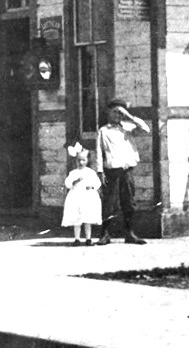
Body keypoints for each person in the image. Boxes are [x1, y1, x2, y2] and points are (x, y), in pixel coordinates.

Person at [94, 97, 150, 245]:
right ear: (108, 112)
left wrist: (129, 116)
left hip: (127, 171)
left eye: (120, 113)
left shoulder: (128, 127)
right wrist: (100, 172)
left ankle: (129, 233)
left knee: (129, 202)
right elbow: (99, 152)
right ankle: (105, 234)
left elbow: (146, 129)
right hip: (111, 172)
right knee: (109, 203)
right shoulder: (103, 131)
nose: (117, 116)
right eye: (114, 112)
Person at [61, 143, 102, 245]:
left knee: (87, 219)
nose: (81, 162)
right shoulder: (73, 173)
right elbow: (67, 183)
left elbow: (97, 183)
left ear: (87, 161)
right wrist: (74, 182)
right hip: (76, 197)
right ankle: (77, 239)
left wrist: (92, 187)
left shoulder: (90, 172)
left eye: (83, 160)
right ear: (75, 161)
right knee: (77, 219)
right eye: (78, 160)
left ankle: (88, 239)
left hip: (87, 197)